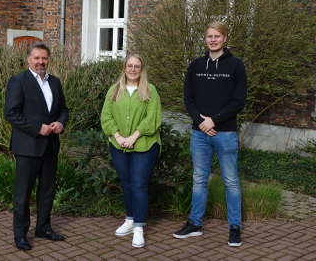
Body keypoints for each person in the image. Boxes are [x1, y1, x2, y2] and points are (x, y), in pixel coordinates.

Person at [173, 22, 247, 247]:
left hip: (225, 133)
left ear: (225, 38)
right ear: (205, 39)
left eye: (217, 36)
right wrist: (200, 122)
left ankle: (235, 227)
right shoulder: (196, 65)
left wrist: (213, 120)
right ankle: (195, 224)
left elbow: (238, 101)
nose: (213, 40)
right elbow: (188, 97)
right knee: (199, 180)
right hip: (199, 134)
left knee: (231, 181)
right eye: (209, 36)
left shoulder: (236, 65)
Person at [4, 42, 69, 251]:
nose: (41, 61)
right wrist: (36, 128)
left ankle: (43, 228)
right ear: (28, 59)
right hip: (28, 147)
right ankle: (20, 235)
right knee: (23, 194)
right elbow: (11, 113)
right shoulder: (18, 81)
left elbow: (63, 110)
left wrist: (60, 122)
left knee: (47, 191)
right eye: (37, 58)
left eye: (45, 58)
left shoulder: (55, 82)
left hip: (50, 146)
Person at [101, 54, 162, 248]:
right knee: (126, 184)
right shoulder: (114, 90)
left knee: (138, 185)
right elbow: (106, 116)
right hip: (118, 144)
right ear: (124, 68)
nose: (133, 69)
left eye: (137, 66)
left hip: (144, 144)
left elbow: (153, 119)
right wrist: (117, 136)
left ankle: (138, 227)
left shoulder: (150, 90)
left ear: (142, 69)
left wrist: (134, 136)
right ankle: (129, 219)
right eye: (130, 66)